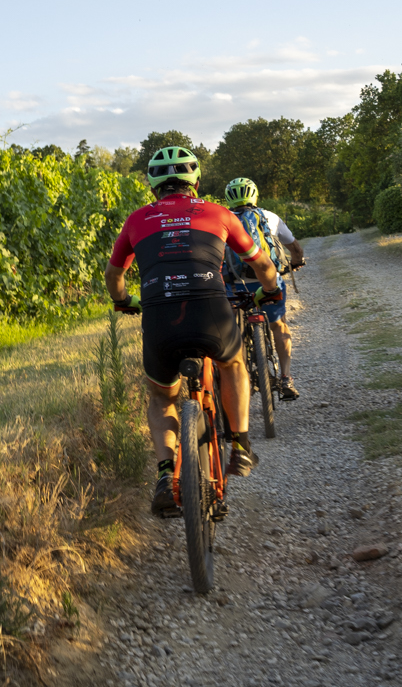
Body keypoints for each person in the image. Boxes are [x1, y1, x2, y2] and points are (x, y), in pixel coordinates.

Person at [104, 147, 284, 514]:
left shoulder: (137, 219)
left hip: (159, 316)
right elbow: (261, 262)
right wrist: (271, 290)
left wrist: (123, 301)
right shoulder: (218, 213)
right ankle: (241, 446)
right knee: (232, 364)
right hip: (210, 311)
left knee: (161, 398)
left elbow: (114, 275)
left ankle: (166, 475)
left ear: (153, 187)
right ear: (196, 183)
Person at [221, 177, 306, 400]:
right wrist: (296, 261)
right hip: (267, 283)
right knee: (279, 326)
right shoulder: (270, 217)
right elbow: (295, 248)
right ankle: (286, 378)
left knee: (232, 331)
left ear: (229, 198)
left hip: (234, 286)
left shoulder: (222, 220)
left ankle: (240, 379)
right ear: (255, 195)